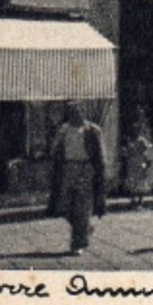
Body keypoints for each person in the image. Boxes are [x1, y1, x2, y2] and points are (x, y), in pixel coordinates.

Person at [46, 101, 106, 256]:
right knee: (63, 206)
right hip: (67, 168)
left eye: (77, 110)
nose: (75, 113)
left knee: (82, 207)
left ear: (83, 112)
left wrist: (100, 171)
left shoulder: (92, 130)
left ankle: (78, 244)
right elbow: (54, 149)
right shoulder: (64, 130)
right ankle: (85, 228)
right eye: (71, 111)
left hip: (85, 168)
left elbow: (101, 154)